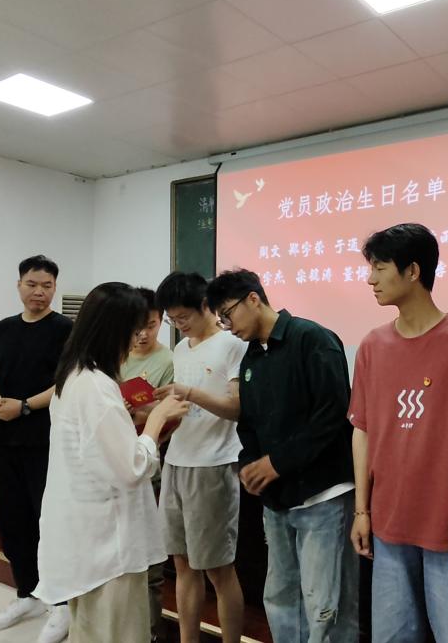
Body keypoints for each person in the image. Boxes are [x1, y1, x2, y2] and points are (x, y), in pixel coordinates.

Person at [348, 223, 448, 643]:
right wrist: (362, 512)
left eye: (380, 268)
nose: (371, 279)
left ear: (413, 271)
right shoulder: (372, 346)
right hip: (388, 526)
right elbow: (361, 431)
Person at [206, 269, 358, 643]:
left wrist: (277, 463)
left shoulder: (313, 339)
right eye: (221, 319)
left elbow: (332, 413)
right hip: (277, 500)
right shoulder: (251, 359)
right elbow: (248, 423)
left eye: (228, 314)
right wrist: (250, 464)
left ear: (253, 299)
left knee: (325, 604)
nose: (227, 326)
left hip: (323, 494)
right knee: (280, 596)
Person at [34, 282, 189, 643]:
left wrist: (145, 427)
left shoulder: (75, 376)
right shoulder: (96, 388)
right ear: (113, 332)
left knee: (91, 629)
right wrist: (158, 418)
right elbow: (131, 468)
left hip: (85, 536)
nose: (136, 340)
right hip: (107, 544)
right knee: (116, 631)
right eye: (132, 331)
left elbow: (105, 451)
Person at [0, 255, 73, 643]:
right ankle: (27, 594)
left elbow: (66, 382)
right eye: (32, 284)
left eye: (47, 286)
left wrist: (22, 406)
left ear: (54, 288)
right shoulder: (2, 329)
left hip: (46, 441)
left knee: (49, 522)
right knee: (13, 521)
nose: (39, 292)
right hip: (4, 440)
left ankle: (62, 603)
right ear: (19, 285)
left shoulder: (65, 329)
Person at [152, 272, 247, 643]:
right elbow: (183, 409)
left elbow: (236, 408)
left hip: (213, 465)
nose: (179, 325)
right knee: (182, 564)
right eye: (172, 320)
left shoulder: (231, 344)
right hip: (176, 462)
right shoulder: (181, 349)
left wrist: (188, 392)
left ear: (206, 305)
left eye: (183, 317)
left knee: (218, 569)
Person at [119, 287, 173, 641]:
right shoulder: (116, 356)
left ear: (161, 322)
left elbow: (171, 415)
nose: (143, 334)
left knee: (150, 556)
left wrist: (141, 411)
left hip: (149, 461)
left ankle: (151, 631)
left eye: (151, 326)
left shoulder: (167, 360)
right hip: (115, 461)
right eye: (137, 327)